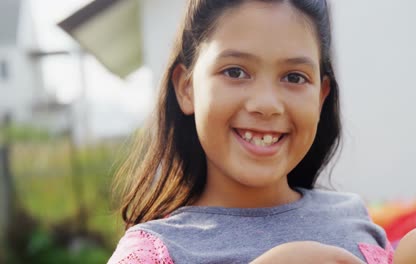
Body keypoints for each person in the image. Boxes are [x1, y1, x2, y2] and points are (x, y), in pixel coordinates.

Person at [108, 0, 394, 263]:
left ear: (321, 96)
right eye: (235, 72)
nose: (266, 105)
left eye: (294, 77)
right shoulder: (152, 253)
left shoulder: (353, 218)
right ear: (187, 87)